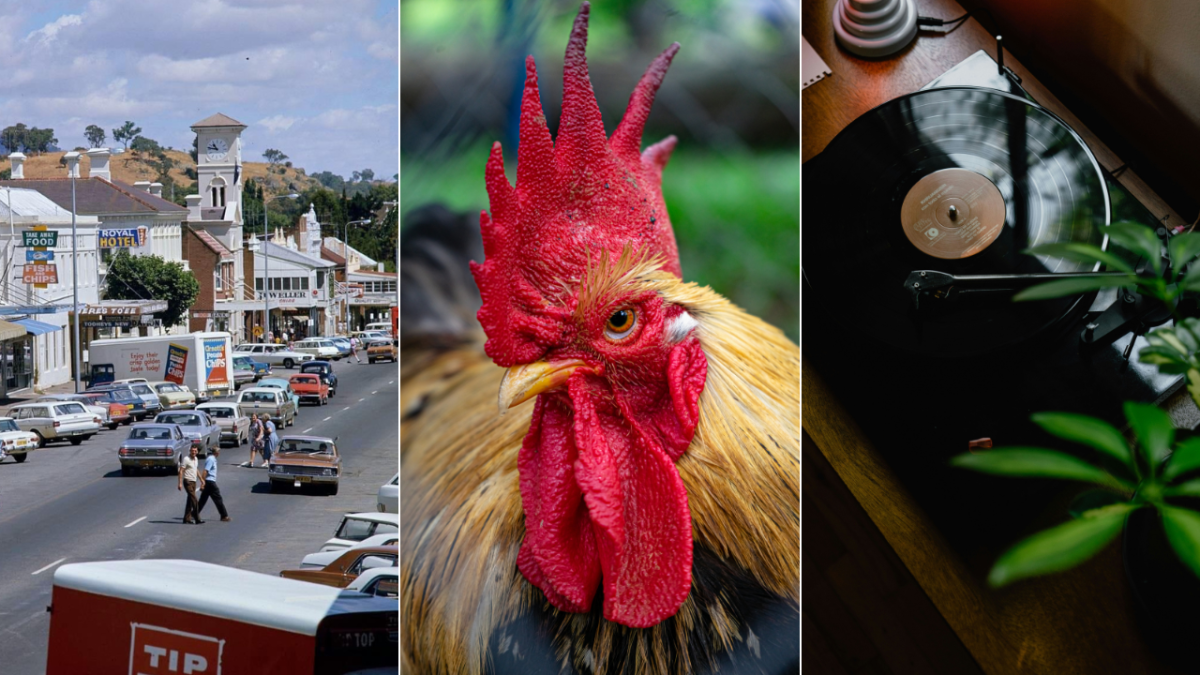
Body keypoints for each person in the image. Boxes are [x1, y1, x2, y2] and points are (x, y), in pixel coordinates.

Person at [197, 446, 231, 522]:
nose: (219, 453)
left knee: (203, 499)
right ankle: (224, 515)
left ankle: (194, 513)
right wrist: (203, 483)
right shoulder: (211, 459)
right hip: (210, 482)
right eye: (218, 452)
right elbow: (205, 471)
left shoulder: (212, 459)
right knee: (218, 498)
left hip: (209, 482)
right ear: (216, 452)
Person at [178, 445, 204, 525]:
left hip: (194, 481)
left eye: (195, 451)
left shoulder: (196, 459)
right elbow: (181, 471)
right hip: (187, 481)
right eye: (192, 451)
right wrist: (180, 483)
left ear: (197, 451)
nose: (193, 452)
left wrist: (201, 480)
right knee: (194, 500)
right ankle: (197, 518)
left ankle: (186, 518)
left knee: (190, 500)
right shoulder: (186, 459)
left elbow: (196, 470)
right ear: (190, 451)